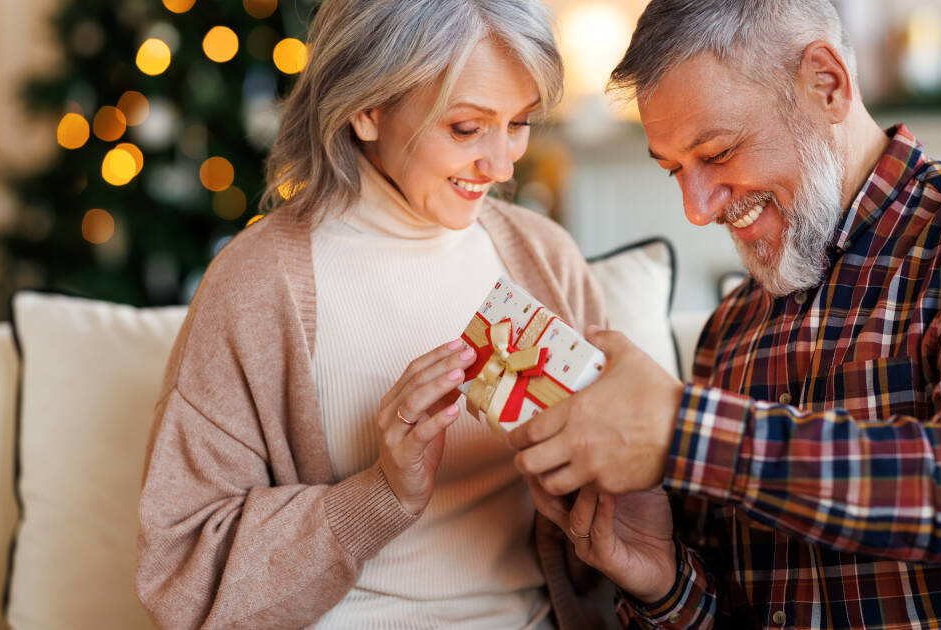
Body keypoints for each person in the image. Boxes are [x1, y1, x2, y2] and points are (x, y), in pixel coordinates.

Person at [508, 1, 941, 628]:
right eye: (674, 169)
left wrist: (684, 433)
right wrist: (660, 577)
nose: (696, 209)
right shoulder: (731, 334)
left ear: (827, 84)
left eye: (718, 152)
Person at [135, 1, 614, 628]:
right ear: (367, 108)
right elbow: (182, 574)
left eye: (520, 123)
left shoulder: (543, 257)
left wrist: (589, 488)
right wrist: (381, 494)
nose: (501, 167)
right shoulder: (259, 284)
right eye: (467, 129)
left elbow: (636, 525)